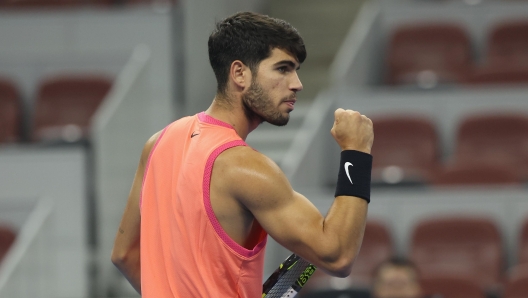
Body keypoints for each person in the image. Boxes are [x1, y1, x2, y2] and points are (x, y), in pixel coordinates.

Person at [111, 11, 374, 297]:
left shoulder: (158, 143)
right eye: (283, 69)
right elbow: (337, 254)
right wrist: (356, 152)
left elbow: (124, 255)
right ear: (239, 73)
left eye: (296, 70)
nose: (297, 83)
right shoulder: (245, 167)